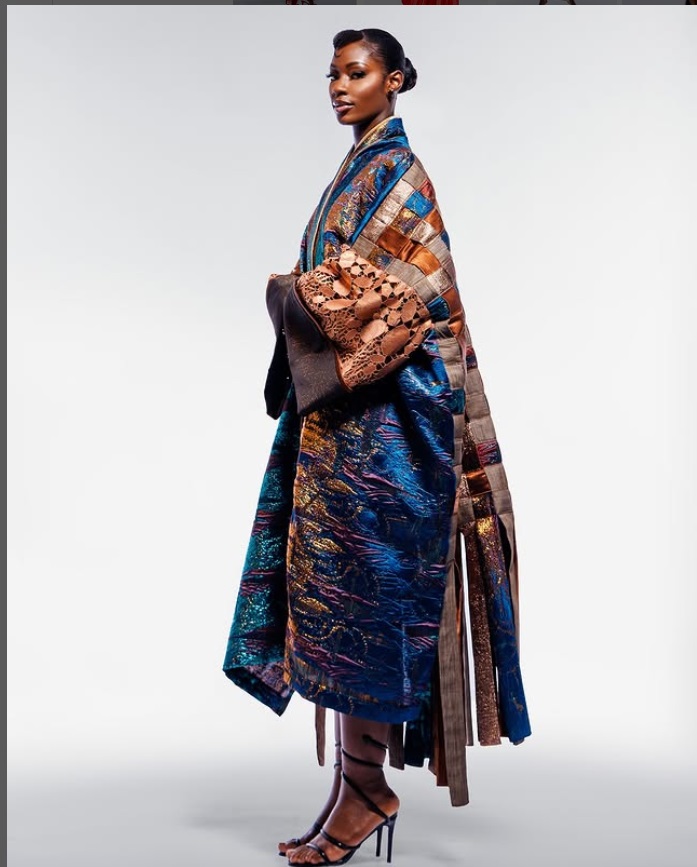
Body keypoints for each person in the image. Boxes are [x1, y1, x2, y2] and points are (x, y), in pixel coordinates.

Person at [222, 28, 531, 866]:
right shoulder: (355, 171)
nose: (338, 85)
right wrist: (306, 296)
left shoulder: (401, 174)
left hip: (388, 430)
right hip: (337, 424)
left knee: (364, 597)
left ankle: (366, 789)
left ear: (394, 81)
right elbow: (335, 291)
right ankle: (351, 785)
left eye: (355, 72)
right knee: (328, 594)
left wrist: (299, 294)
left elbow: (412, 303)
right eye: (332, 73)